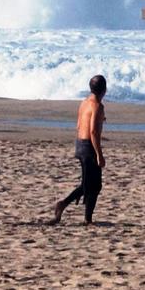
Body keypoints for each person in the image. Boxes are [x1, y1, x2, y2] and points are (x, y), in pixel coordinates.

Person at [52, 74, 106, 225]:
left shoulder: (84, 103)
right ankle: (73, 210)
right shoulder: (98, 106)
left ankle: (80, 214)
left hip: (80, 144)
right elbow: (94, 133)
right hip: (89, 146)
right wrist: (99, 154)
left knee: (88, 184)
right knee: (93, 186)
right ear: (104, 90)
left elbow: (78, 125)